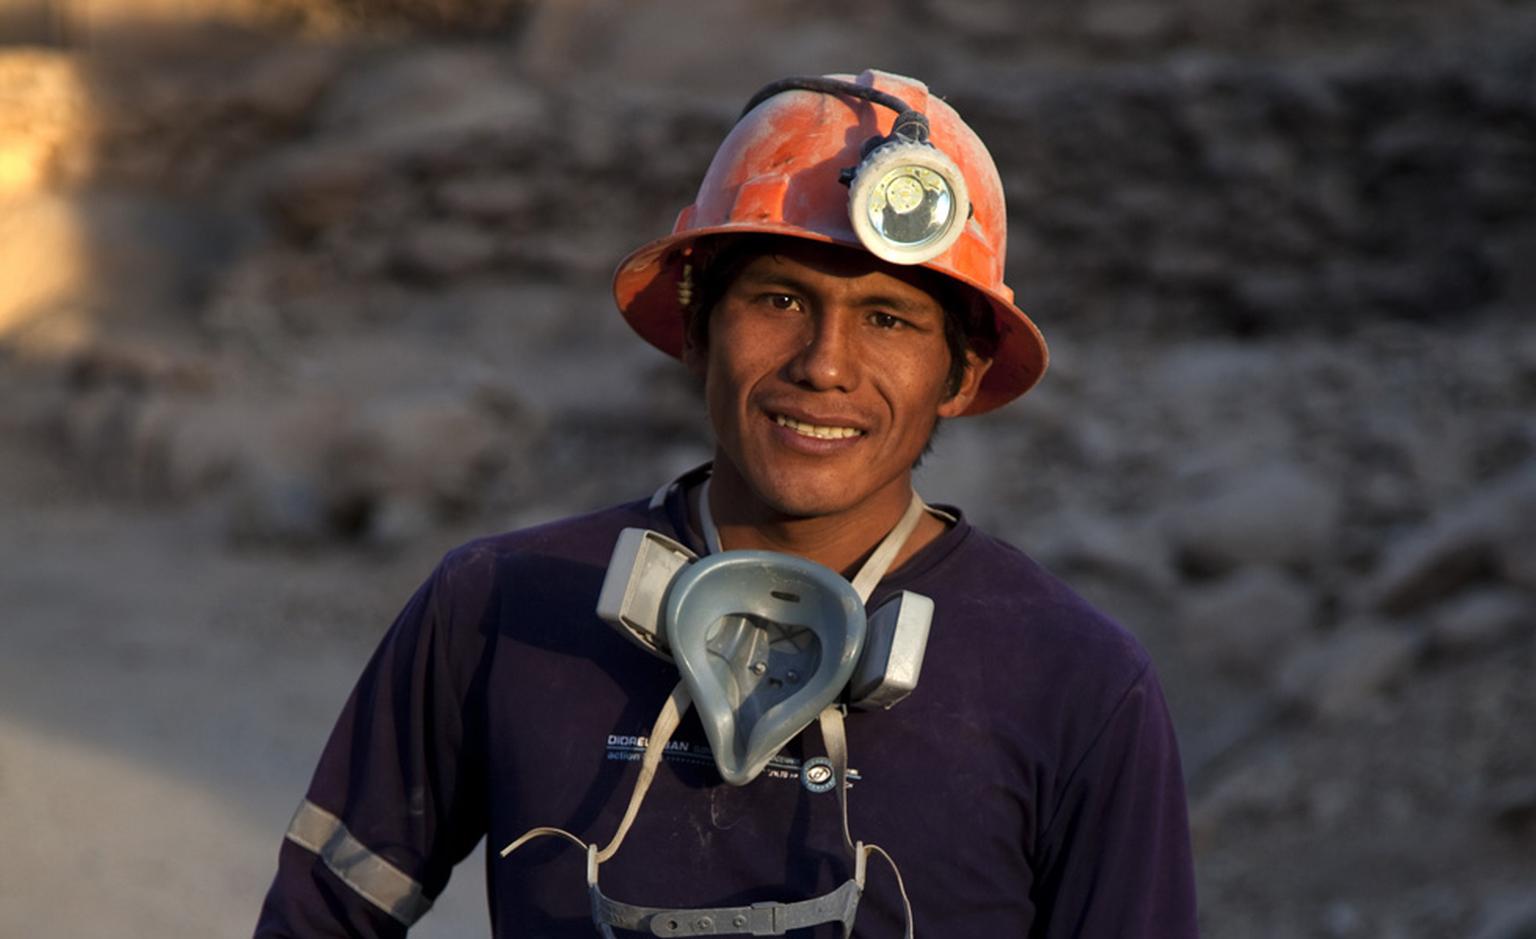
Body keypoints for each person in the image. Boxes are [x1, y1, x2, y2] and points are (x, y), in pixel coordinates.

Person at [255, 69, 1199, 938]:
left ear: (962, 372)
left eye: (889, 318)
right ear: (696, 324)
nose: (826, 366)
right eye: (780, 300)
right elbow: (318, 918)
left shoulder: (1073, 681)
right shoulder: (500, 607)